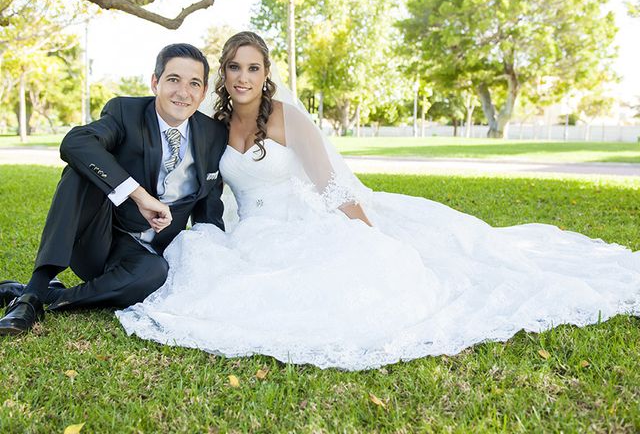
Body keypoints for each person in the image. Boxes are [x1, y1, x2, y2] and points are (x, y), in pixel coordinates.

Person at [117, 31, 640, 371]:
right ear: (222, 75)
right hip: (249, 230)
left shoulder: (286, 117)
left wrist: (366, 231)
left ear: (266, 72)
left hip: (304, 217)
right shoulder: (212, 126)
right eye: (234, 67)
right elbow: (199, 184)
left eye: (253, 68)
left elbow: (329, 183)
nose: (243, 77)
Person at [0, 43, 227, 335]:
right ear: (155, 82)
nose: (183, 92)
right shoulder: (126, 112)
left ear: (204, 90)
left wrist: (219, 263)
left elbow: (208, 211)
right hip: (99, 241)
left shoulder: (214, 133)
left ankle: (51, 297)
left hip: (146, 258)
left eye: (194, 83)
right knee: (80, 170)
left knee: (155, 273)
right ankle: (33, 292)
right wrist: (139, 194)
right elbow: (76, 143)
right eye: (173, 80)